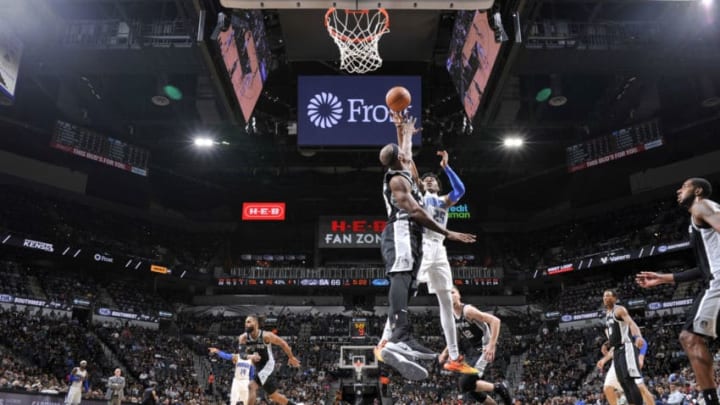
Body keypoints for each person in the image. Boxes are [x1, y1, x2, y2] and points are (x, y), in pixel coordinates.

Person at [376, 111, 476, 381]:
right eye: (402, 154)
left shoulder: (415, 179)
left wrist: (404, 130)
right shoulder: (402, 181)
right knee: (402, 280)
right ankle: (392, 338)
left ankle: (448, 355)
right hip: (407, 231)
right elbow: (417, 211)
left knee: (417, 287)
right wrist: (450, 233)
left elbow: (406, 153)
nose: (429, 180)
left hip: (426, 242)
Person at [636, 177, 720, 405]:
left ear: (698, 190)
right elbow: (703, 268)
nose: (678, 190)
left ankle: (711, 401)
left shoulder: (702, 206)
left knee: (689, 337)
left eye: (684, 186)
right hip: (712, 278)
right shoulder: (700, 218)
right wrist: (662, 278)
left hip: (718, 283)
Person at [416, 150, 478, 375]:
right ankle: (387, 339)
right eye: (426, 179)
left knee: (446, 302)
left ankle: (454, 357)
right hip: (424, 245)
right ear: (422, 184)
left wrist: (446, 167)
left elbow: (460, 190)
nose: (430, 180)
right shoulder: (421, 197)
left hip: (439, 248)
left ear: (438, 185)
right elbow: (414, 179)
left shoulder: (444, 201)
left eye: (434, 179)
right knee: (410, 286)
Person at [438, 287, 511, 405]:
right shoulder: (451, 316)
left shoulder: (467, 310)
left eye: (452, 292)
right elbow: (455, 338)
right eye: (447, 294)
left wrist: (491, 345)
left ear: (459, 295)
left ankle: (499, 388)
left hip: (485, 348)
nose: (450, 296)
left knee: (464, 383)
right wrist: (445, 352)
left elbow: (495, 321)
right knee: (471, 389)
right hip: (473, 351)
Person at [238, 315, 301, 405]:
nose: (246, 324)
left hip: (268, 366)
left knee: (251, 386)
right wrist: (250, 357)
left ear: (255, 323)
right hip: (258, 368)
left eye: (249, 322)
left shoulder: (266, 336)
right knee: (273, 396)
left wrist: (291, 357)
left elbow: (282, 343)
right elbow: (241, 355)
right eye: (245, 322)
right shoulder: (243, 338)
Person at [601, 290, 645, 405]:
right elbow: (614, 333)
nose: (605, 298)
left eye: (608, 296)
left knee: (629, 381)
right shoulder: (607, 314)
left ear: (615, 298)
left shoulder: (619, 310)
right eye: (604, 296)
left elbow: (631, 323)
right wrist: (606, 344)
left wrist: (638, 336)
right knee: (623, 383)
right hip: (616, 350)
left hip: (626, 347)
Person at [597, 337, 654, 405]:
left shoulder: (627, 327)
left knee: (641, 388)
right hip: (616, 360)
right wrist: (604, 359)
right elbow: (615, 345)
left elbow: (641, 339)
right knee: (607, 388)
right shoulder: (610, 329)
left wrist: (641, 356)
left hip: (628, 357)